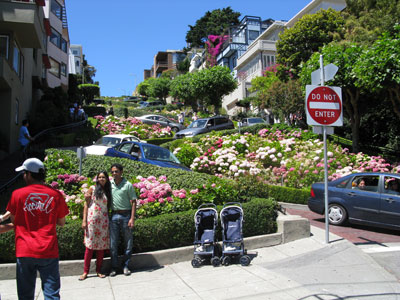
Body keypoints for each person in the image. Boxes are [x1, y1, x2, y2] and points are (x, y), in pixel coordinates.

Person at [6, 158, 69, 300]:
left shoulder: (17, 194)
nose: (23, 176)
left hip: (24, 250)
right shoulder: (55, 195)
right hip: (48, 249)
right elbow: (62, 222)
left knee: (25, 294)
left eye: (24, 173)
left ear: (29, 174)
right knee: (51, 293)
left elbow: (14, 220)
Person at [79, 171, 112, 281]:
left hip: (103, 222)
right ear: (97, 179)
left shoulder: (108, 190)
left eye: (103, 177)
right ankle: (85, 271)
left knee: (101, 247)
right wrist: (84, 220)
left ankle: (99, 270)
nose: (101, 179)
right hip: (92, 221)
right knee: (89, 247)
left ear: (107, 179)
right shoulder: (92, 189)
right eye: (100, 177)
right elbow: (86, 205)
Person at [109, 163, 137, 276]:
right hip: (114, 216)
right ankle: (114, 267)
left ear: (121, 172)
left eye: (116, 171)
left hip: (126, 215)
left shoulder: (128, 185)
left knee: (128, 242)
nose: (114, 173)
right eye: (112, 172)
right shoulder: (109, 184)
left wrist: (132, 218)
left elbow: (134, 201)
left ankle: (126, 265)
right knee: (113, 244)